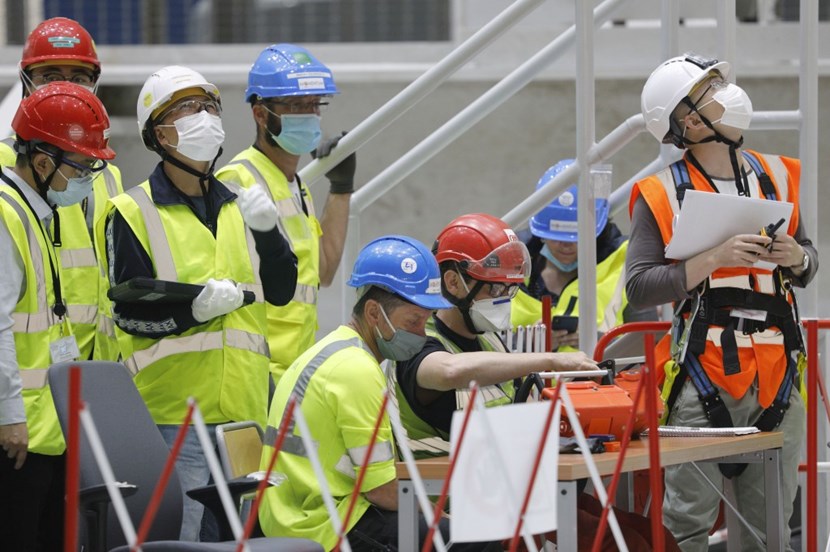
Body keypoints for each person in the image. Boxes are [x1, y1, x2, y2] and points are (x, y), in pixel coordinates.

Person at [394, 213, 678, 551]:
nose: (504, 298)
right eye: (496, 287)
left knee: (650, 536)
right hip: (462, 510)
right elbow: (449, 372)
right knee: (620, 544)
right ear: (453, 283)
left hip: (515, 496)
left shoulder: (490, 342)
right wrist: (551, 359)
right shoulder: (417, 345)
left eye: (511, 289)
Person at [96, 65, 298, 541]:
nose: (203, 117)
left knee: (241, 538)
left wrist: (269, 234)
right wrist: (194, 312)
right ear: (158, 132)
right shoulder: (132, 211)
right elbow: (128, 313)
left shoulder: (244, 204)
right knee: (179, 541)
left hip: (244, 413)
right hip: (173, 418)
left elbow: (284, 290)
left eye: (209, 107)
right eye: (187, 108)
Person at [627, 53, 816, 550]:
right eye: (711, 89)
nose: (727, 95)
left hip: (778, 370)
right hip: (703, 370)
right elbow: (640, 286)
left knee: (770, 526)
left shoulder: (775, 175)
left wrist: (797, 257)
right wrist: (715, 256)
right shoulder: (662, 192)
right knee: (687, 524)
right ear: (688, 120)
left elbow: (809, 265)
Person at [260, 235, 498, 552]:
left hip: (292, 513)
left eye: (425, 321)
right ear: (374, 313)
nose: (419, 334)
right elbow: (382, 492)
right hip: (323, 524)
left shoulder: (334, 348)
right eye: (413, 321)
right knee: (475, 540)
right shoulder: (356, 370)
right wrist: (441, 514)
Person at [0, 82, 115, 550]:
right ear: (43, 163)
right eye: (83, 165)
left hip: (45, 430)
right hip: (15, 436)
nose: (89, 176)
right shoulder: (6, 215)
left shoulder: (38, 211)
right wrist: (9, 414)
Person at [216, 43, 357, 385]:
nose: (308, 114)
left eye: (313, 105)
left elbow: (323, 271)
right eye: (295, 105)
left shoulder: (296, 186)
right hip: (258, 371)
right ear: (260, 113)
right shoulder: (239, 181)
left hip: (294, 369)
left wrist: (341, 188)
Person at [0, 17, 125, 362]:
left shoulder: (108, 175)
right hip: (33, 370)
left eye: (80, 78)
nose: (66, 87)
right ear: (26, 82)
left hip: (98, 363)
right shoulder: (5, 168)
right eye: (50, 77)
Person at [512, 162, 656, 351]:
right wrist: (527, 343)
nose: (566, 246)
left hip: (600, 379)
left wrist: (596, 341)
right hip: (524, 380)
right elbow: (479, 346)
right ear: (539, 231)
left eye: (576, 237)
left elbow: (648, 346)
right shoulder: (510, 262)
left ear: (598, 228)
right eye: (556, 237)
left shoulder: (626, 261)